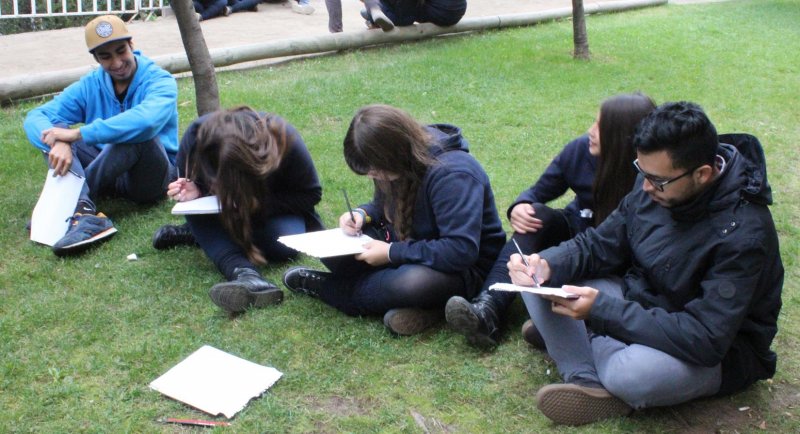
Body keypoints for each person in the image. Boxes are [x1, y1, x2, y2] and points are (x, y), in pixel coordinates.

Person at [507, 101, 783, 426]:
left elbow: (706, 338)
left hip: (716, 350)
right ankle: (586, 378)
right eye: (641, 170)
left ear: (702, 174)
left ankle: (575, 340)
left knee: (633, 376)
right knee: (536, 282)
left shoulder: (744, 234)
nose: (646, 185)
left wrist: (600, 312)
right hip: (640, 300)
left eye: (657, 180)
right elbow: (599, 244)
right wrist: (546, 264)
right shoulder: (655, 180)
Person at [446, 93, 656, 349]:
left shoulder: (650, 176)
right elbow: (538, 192)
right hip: (578, 236)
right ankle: (488, 308)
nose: (590, 131)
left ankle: (577, 326)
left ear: (623, 137)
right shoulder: (580, 150)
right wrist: (521, 206)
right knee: (536, 216)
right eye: (594, 122)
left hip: (620, 256)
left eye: (601, 127)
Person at [282, 104, 505, 335]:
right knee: (334, 253)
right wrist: (362, 214)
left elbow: (459, 250)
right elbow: (383, 206)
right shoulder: (398, 163)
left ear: (393, 153)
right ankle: (421, 306)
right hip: (408, 244)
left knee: (411, 284)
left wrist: (390, 253)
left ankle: (330, 289)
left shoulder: (453, 174)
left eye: (376, 171)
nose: (374, 176)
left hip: (463, 269)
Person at [23, 15, 178, 257]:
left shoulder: (160, 80)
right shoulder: (91, 84)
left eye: (121, 51)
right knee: (55, 131)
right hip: (109, 170)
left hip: (150, 178)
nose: (116, 62)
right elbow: (36, 116)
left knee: (137, 135)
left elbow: (147, 121)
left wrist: (78, 133)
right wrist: (60, 141)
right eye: (106, 56)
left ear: (131, 45)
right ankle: (83, 210)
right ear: (96, 58)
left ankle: (68, 203)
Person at [159, 107, 324, 314]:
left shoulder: (283, 137)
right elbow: (181, 181)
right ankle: (243, 273)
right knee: (198, 214)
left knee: (282, 247)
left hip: (268, 209)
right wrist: (196, 190)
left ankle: (203, 236)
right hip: (217, 212)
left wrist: (256, 204)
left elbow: (310, 194)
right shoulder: (196, 137)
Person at [361, 0, 467, 32]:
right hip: (458, 9)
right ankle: (375, 10)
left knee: (404, 18)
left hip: (441, 11)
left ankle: (374, 9)